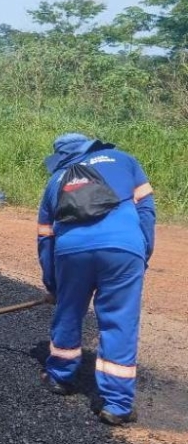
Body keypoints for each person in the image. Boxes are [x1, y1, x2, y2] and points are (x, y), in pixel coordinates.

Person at [36, 133, 155, 426]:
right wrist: (142, 254)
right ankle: (116, 405)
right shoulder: (125, 161)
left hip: (71, 252)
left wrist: (54, 285)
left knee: (69, 312)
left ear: (61, 157)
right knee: (119, 320)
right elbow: (146, 212)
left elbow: (45, 238)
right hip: (123, 250)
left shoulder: (56, 180)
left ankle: (60, 378)